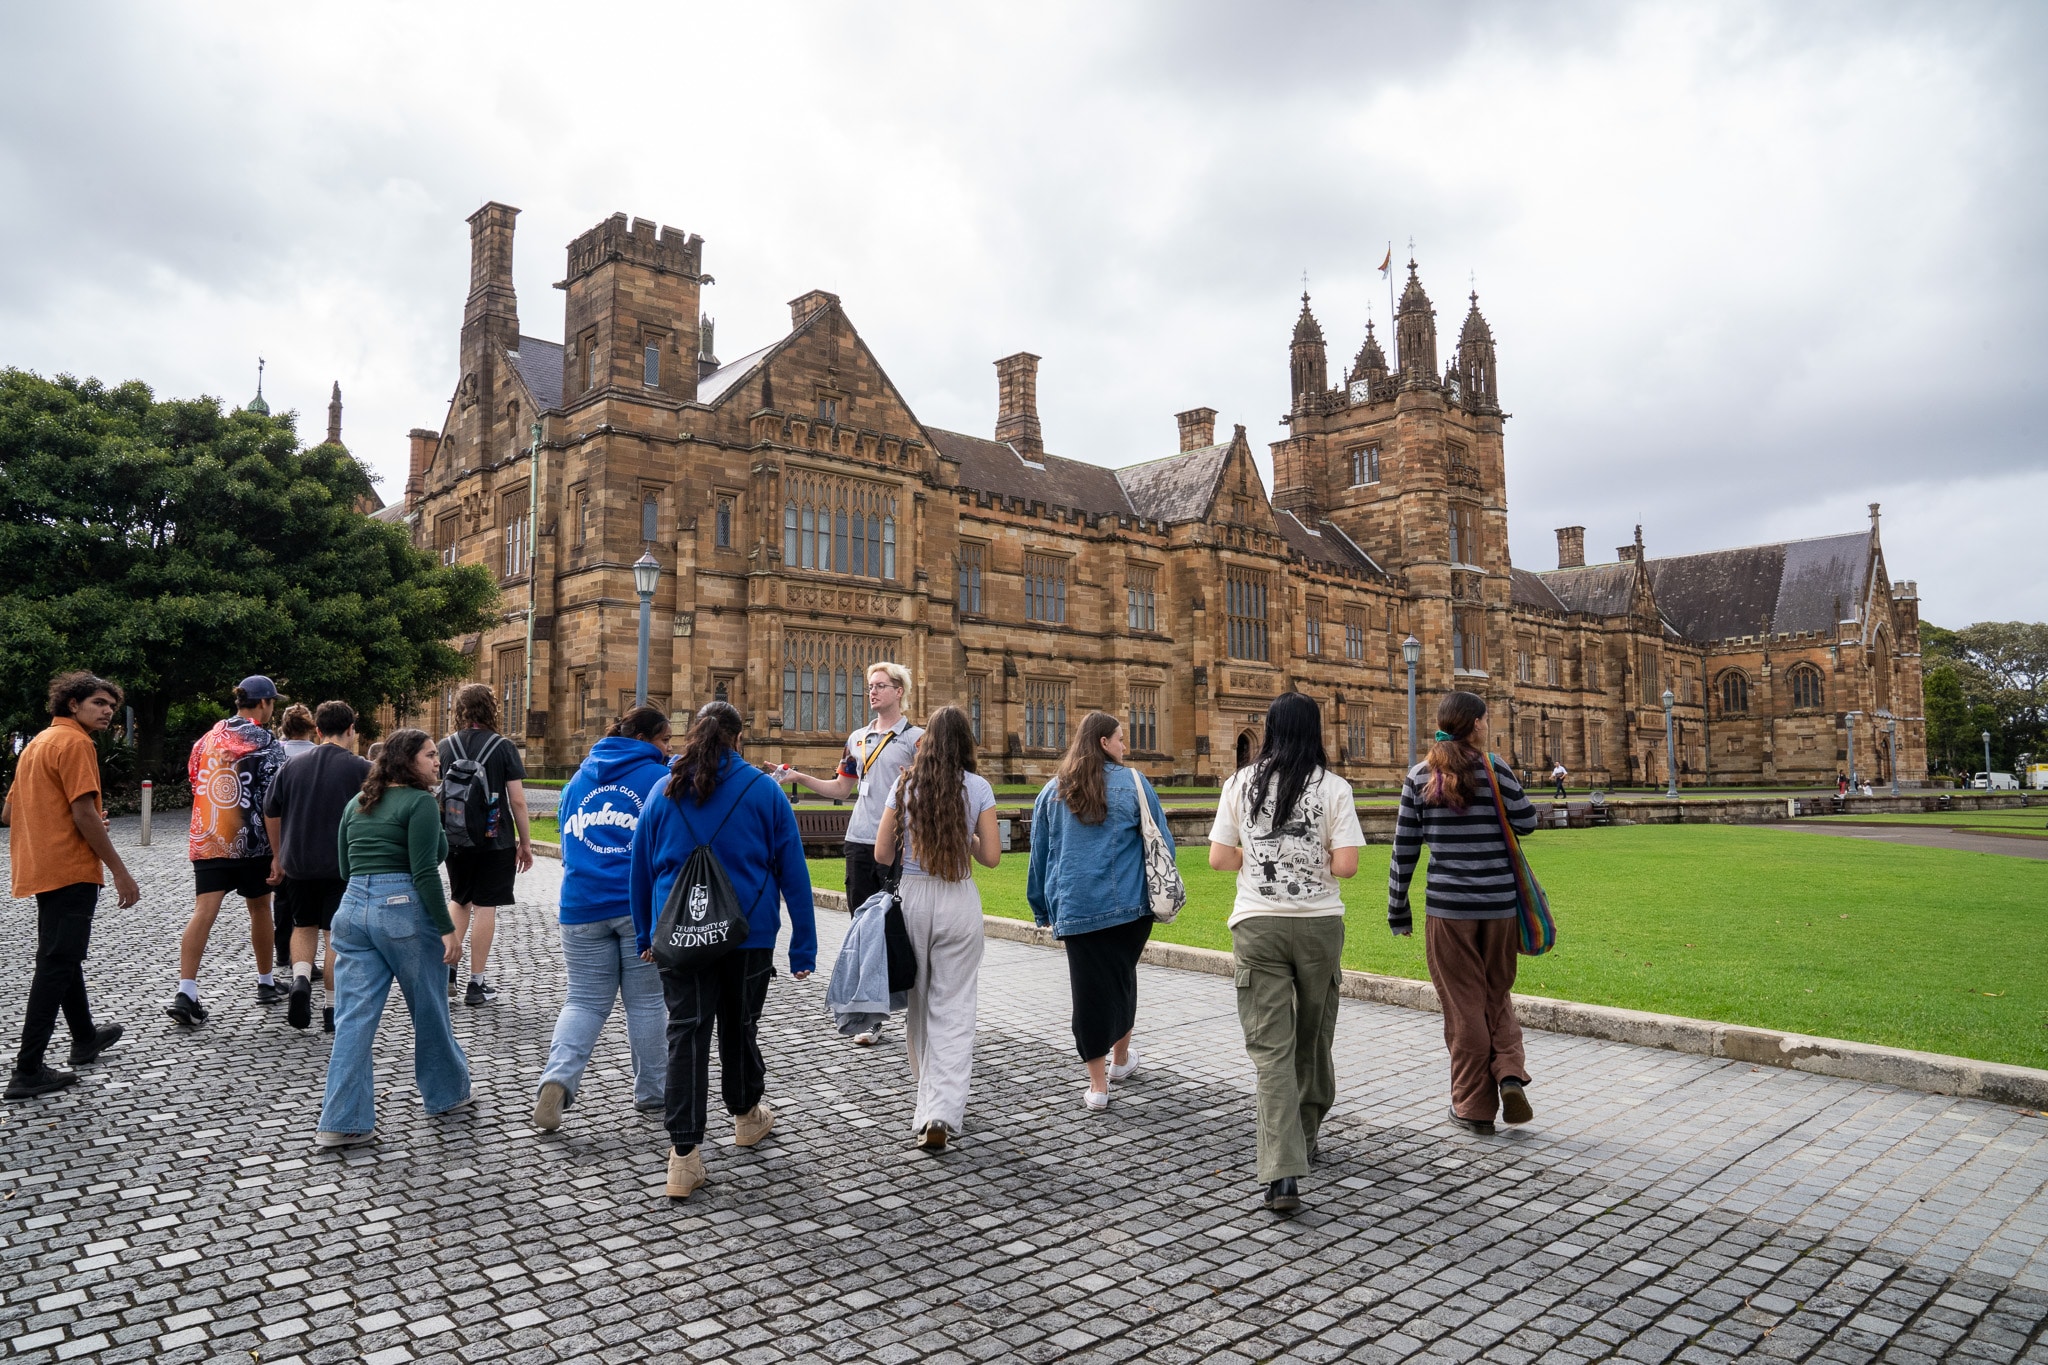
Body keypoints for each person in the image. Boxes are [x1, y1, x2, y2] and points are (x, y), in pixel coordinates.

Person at [629, 701, 816, 1200]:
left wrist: (646, 936)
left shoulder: (662, 790)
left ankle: (683, 1158)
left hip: (681, 934)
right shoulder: (764, 791)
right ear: (739, 739)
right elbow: (794, 873)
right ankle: (745, 1115)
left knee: (685, 1035)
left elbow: (641, 869)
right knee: (740, 1027)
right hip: (748, 934)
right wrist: (804, 944)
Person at [1207, 692, 1364, 1215]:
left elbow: (1218, 859)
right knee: (1315, 1036)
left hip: (1258, 924)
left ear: (1270, 730)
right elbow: (1346, 867)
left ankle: (1282, 1174)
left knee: (1271, 1052)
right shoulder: (1335, 788)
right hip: (1318, 925)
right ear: (1314, 729)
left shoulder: (1239, 782)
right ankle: (1306, 1136)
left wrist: (1260, 853)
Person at [1388, 690, 1539, 1138]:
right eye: (1486, 719)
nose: (1489, 725)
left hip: (1449, 909)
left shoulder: (1419, 776)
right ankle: (1509, 1072)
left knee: (1462, 1005)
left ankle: (1473, 1107)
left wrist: (1399, 908)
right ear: (1474, 725)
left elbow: (1404, 851)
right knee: (1496, 993)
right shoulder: (1497, 770)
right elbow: (1527, 822)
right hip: (1498, 907)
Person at [315, 729, 468, 1147]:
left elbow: (346, 869)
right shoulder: (419, 803)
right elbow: (425, 872)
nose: (438, 762)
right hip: (401, 908)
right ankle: (446, 1094)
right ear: (408, 760)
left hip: (351, 909)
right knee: (429, 1006)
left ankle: (341, 1122)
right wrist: (447, 928)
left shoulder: (356, 803)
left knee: (353, 1019)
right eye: (430, 755)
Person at [533, 706, 673, 1131]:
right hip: (636, 907)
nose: (669, 749)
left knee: (583, 1002)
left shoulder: (579, 779)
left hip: (579, 904)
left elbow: (565, 833)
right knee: (646, 1002)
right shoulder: (656, 779)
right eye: (666, 741)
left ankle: (556, 1079)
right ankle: (653, 1092)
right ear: (650, 739)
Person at [3, 673, 139, 1100]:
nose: (106, 711)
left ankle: (84, 1037)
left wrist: (68, 819)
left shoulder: (39, 743)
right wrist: (119, 869)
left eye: (112, 707)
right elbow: (82, 813)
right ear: (73, 704)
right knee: (57, 962)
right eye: (99, 703)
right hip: (71, 868)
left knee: (62, 953)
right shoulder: (77, 744)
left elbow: (9, 812)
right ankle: (27, 1069)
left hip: (42, 866)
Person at [1026, 711, 1171, 1112]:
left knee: (1089, 992)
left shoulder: (1052, 791)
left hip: (1077, 907)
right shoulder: (1134, 783)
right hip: (1130, 909)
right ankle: (1121, 1059)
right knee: (1121, 979)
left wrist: (1041, 907)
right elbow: (1160, 841)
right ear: (1105, 742)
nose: (1126, 747)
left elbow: (1040, 858)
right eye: (1121, 739)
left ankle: (1099, 1084)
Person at [873, 704, 1001, 1152]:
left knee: (920, 1005)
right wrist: (961, 834)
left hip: (914, 897)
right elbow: (990, 856)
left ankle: (928, 1103)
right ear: (966, 742)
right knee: (955, 1008)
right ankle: (942, 1110)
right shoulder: (979, 787)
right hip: (957, 898)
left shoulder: (904, 784)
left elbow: (882, 853)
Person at [773, 661, 921, 1045]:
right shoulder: (857, 739)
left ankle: (912, 1006)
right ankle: (871, 1015)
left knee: (900, 928)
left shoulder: (915, 739)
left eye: (881, 686)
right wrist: (798, 777)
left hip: (898, 844)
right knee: (862, 927)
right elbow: (842, 790)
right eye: (870, 686)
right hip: (858, 841)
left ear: (899, 691)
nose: (872, 692)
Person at [169, 675, 289, 1026]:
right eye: (272, 703)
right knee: (260, 908)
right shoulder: (267, 743)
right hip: (253, 843)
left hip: (209, 838)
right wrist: (279, 854)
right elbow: (272, 802)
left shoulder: (206, 740)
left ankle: (186, 989)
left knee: (203, 912)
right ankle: (266, 981)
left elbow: (195, 782)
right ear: (264, 703)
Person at [263, 701, 371, 1033]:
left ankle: (298, 979)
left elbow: (271, 810)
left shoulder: (292, 766)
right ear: (352, 729)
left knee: (303, 926)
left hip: (298, 863)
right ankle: (330, 1006)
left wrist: (277, 855)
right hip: (340, 864)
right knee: (334, 936)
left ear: (319, 730)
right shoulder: (362, 769)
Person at [437, 683, 534, 1006]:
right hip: (496, 839)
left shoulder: (444, 746)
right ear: (490, 709)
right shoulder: (503, 747)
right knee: (485, 906)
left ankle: (447, 970)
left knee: (459, 898)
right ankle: (476, 984)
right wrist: (526, 843)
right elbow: (518, 801)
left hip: (455, 837)